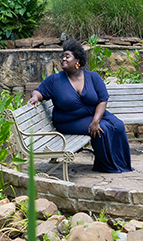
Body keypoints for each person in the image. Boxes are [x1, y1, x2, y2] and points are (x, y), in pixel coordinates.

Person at [31, 38, 132, 173]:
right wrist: (35, 97)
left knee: (118, 125)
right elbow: (39, 91)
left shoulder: (93, 77)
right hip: (68, 120)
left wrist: (95, 120)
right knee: (103, 129)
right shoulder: (55, 80)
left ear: (77, 60)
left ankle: (122, 164)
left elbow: (102, 100)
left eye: (67, 57)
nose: (63, 60)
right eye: (62, 57)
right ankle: (106, 165)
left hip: (91, 114)